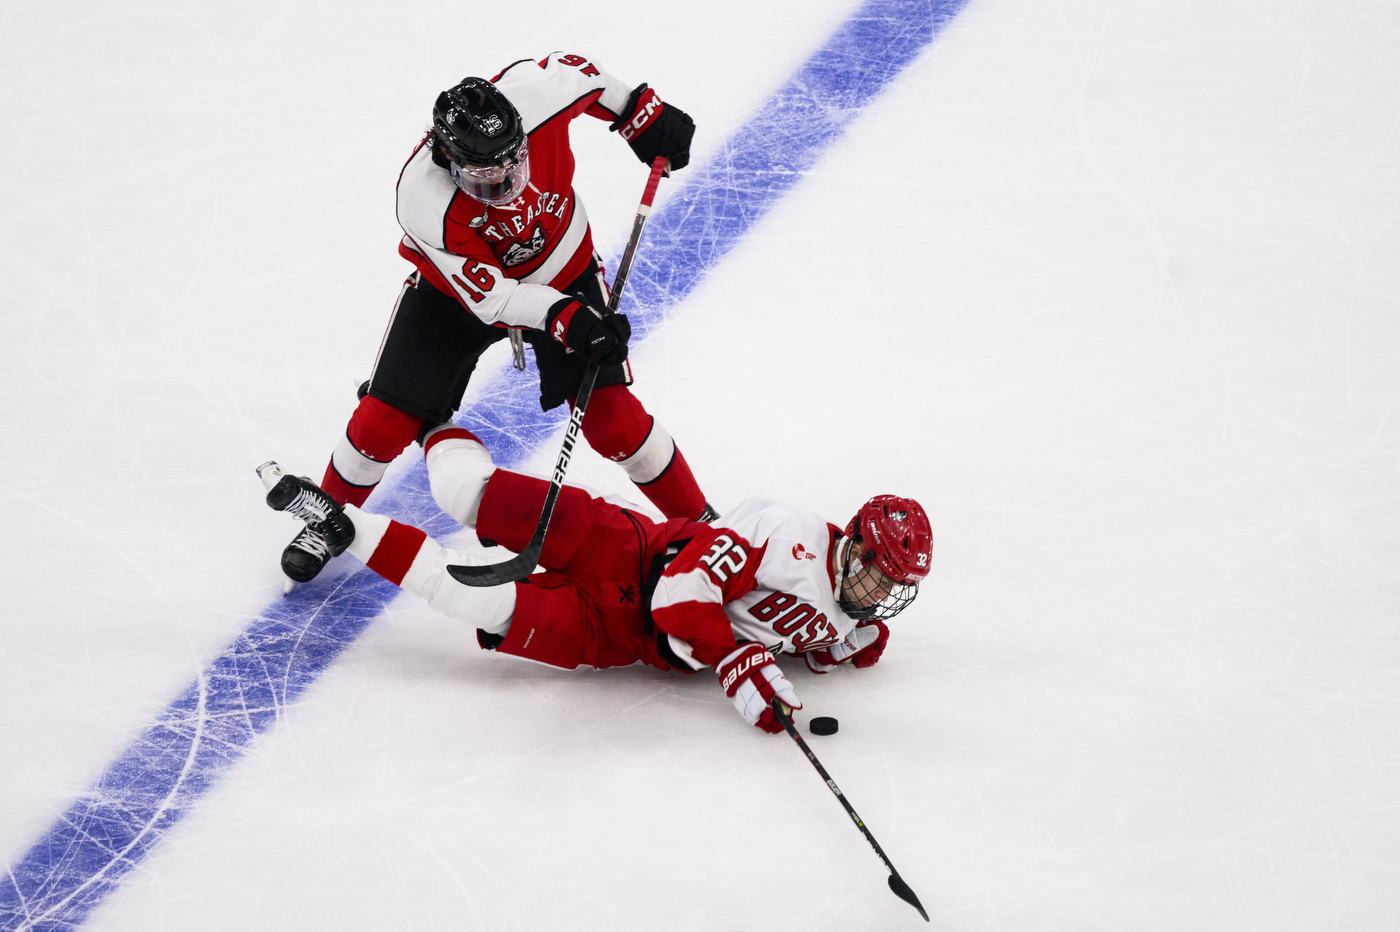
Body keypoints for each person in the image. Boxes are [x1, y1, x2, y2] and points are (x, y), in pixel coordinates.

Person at [300, 52, 714, 581]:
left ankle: (701, 524)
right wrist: (571, 319)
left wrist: (639, 112)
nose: (506, 186)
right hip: (456, 295)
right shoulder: (423, 198)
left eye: (512, 165)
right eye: (484, 179)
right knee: (384, 421)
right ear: (448, 161)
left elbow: (587, 75)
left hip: (563, 267)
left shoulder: (540, 93)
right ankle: (323, 515)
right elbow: (495, 301)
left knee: (613, 419)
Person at [258, 425, 933, 734]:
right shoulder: (786, 534)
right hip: (620, 548)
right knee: (465, 490)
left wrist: (852, 644)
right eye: (880, 572)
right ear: (854, 544)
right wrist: (737, 663)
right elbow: (679, 597)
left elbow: (834, 644)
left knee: (468, 596)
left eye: (894, 586)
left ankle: (346, 526)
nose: (880, 593)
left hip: (614, 638)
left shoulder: (853, 613)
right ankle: (433, 420)